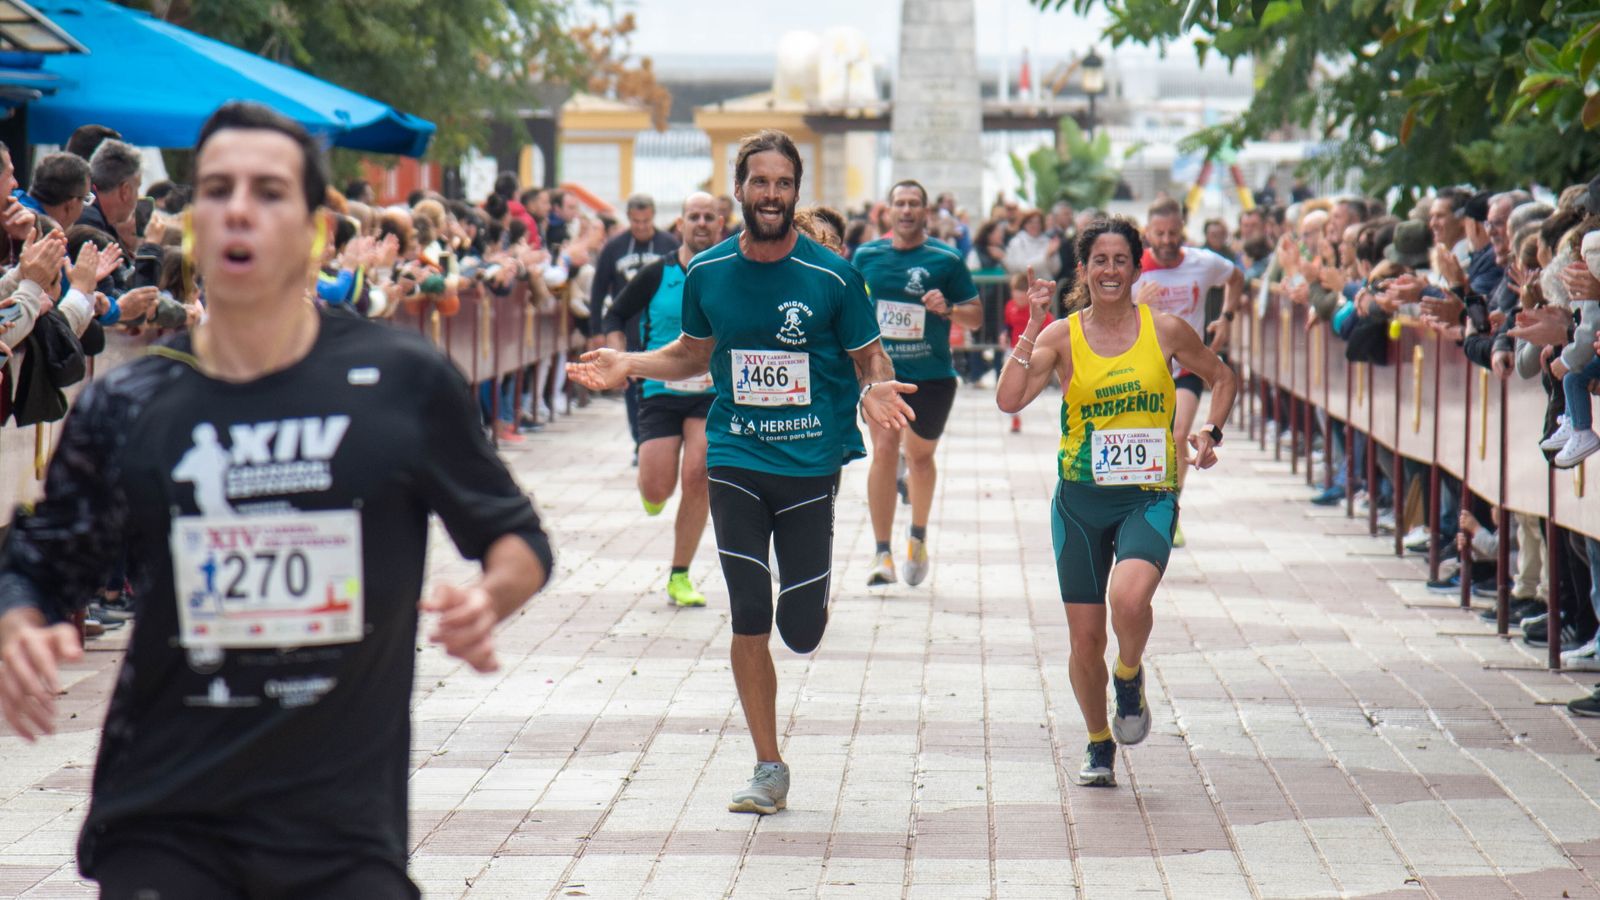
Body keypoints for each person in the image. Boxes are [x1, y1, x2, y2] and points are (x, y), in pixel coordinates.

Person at [0, 102, 553, 899]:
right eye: (218, 189)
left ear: (317, 233)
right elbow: (39, 561)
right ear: (196, 227)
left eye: (268, 191)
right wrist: (21, 626)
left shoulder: (400, 381)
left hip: (340, 832)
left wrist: (491, 596)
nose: (238, 208)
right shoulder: (137, 400)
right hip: (164, 820)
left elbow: (519, 538)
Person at [567, 129, 914, 817]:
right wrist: (630, 364)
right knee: (749, 611)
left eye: (784, 183)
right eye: (761, 182)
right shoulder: (708, 273)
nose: (772, 195)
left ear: (796, 189)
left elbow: (872, 357)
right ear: (739, 188)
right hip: (735, 455)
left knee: (802, 628)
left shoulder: (832, 277)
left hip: (810, 461)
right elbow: (695, 352)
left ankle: (808, 606)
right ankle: (768, 765)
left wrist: (877, 384)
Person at [995, 216, 1236, 788]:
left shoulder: (1167, 330)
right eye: (1098, 260)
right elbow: (1009, 399)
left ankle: (1128, 675)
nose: (1109, 270)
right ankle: (1098, 740)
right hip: (1079, 502)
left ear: (1136, 267)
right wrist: (1032, 325)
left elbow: (1222, 378)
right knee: (1084, 638)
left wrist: (1212, 432)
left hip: (1147, 495)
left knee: (1129, 602)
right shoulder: (1060, 336)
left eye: (1120, 260)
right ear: (1083, 269)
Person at [852, 180, 983, 586]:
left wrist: (948, 310)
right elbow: (852, 309)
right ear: (887, 211)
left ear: (925, 212)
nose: (906, 211)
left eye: (914, 204)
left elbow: (976, 316)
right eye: (899, 204)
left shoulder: (945, 259)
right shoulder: (867, 255)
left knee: (921, 459)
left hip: (933, 376)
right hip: (883, 374)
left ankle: (917, 537)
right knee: (886, 449)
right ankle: (882, 553)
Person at [599, 192, 723, 607]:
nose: (702, 223)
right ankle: (652, 491)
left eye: (709, 216)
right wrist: (618, 357)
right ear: (681, 225)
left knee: (698, 474)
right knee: (658, 486)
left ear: (720, 225)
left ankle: (680, 574)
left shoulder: (731, 275)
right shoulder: (658, 273)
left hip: (710, 392)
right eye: (694, 216)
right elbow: (614, 314)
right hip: (658, 389)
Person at [1131, 197, 1244, 547]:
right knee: (1144, 438)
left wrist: (1226, 318)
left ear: (1183, 231)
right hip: (1143, 369)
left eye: (1173, 233)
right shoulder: (1133, 269)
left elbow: (1236, 277)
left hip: (1186, 366)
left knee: (1178, 433)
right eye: (1159, 233)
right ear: (1147, 233)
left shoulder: (1201, 262)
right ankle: (1138, 506)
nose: (1166, 240)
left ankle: (1169, 510)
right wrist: (1137, 307)